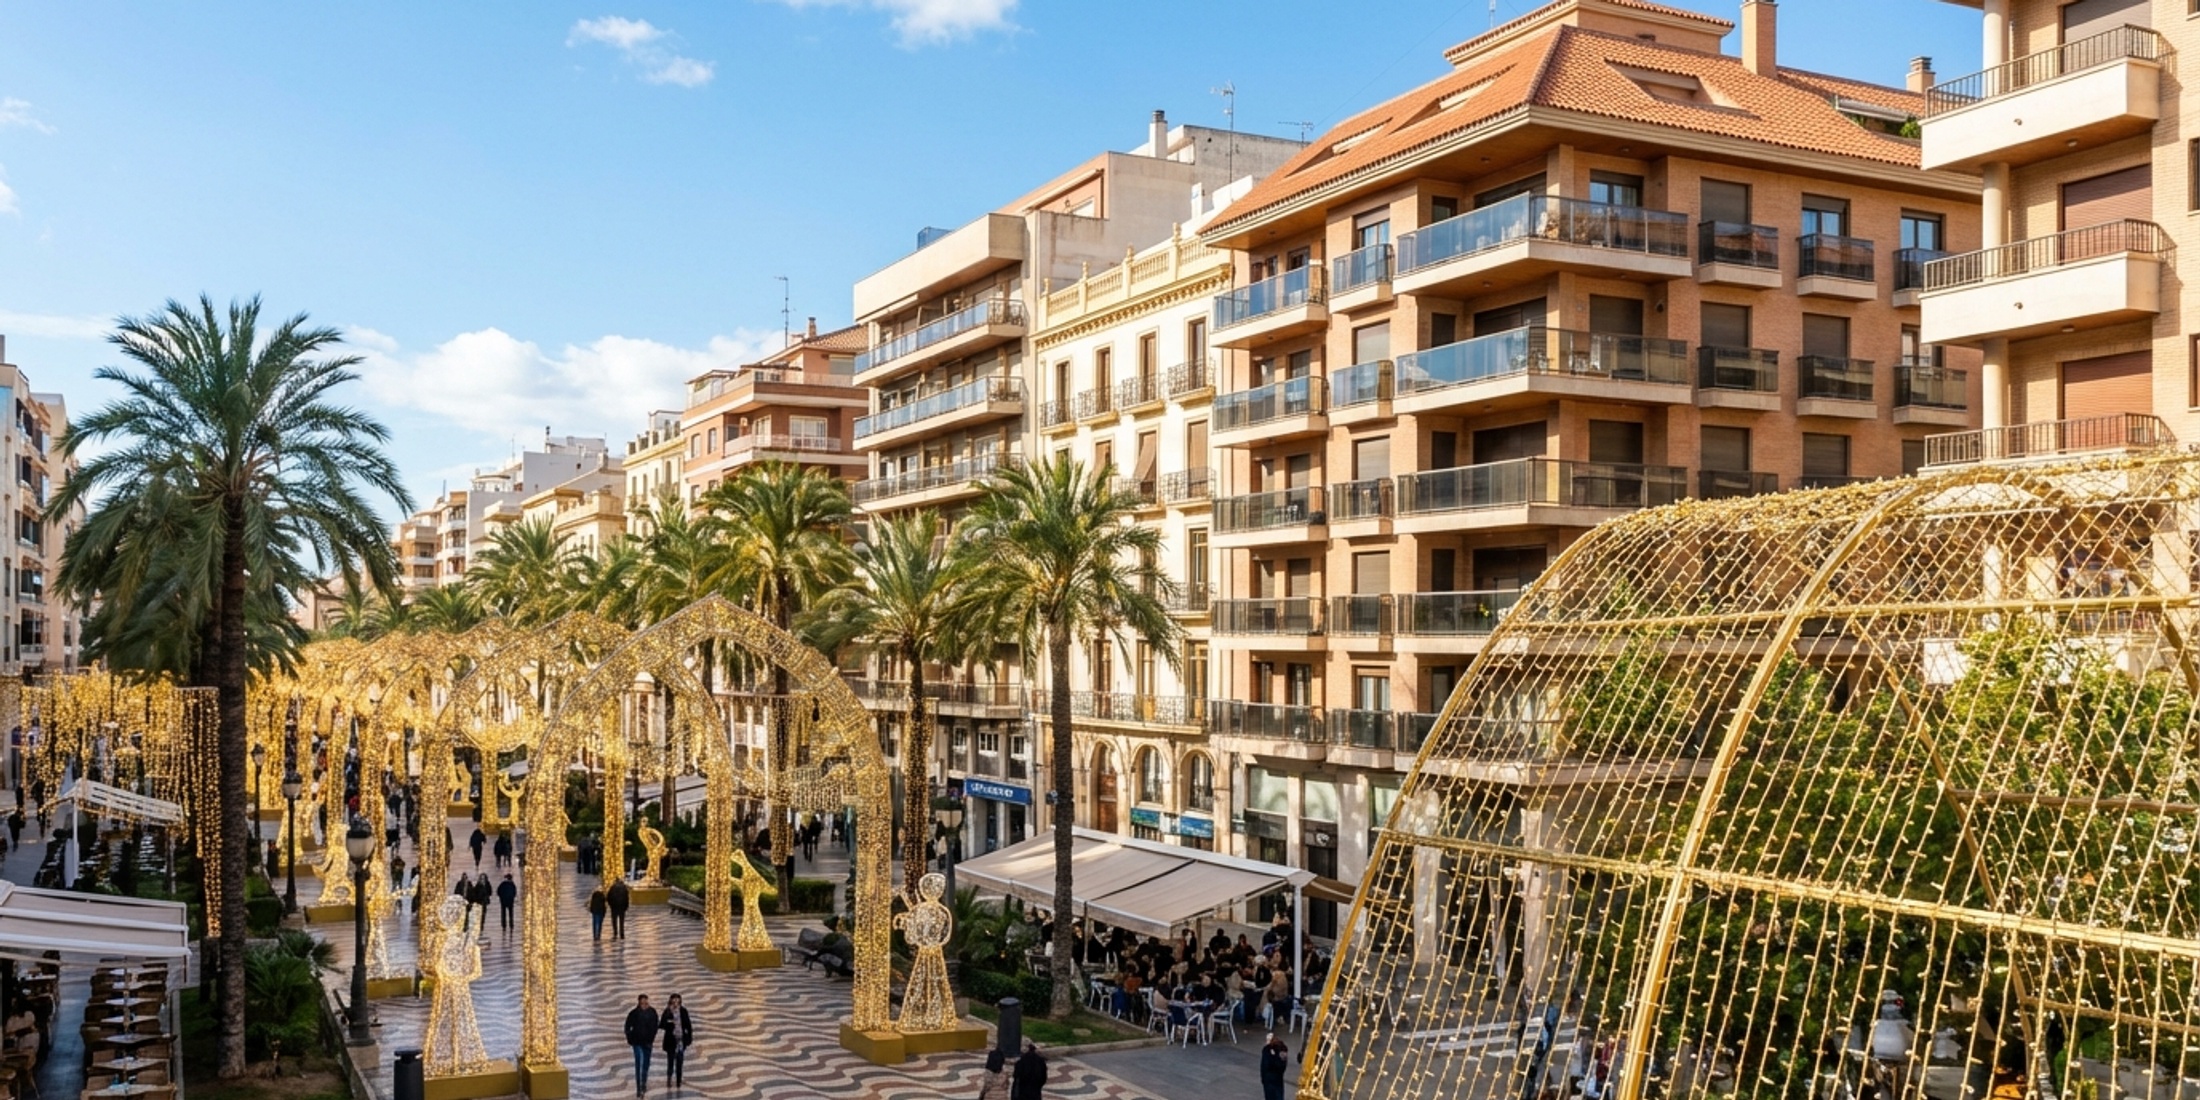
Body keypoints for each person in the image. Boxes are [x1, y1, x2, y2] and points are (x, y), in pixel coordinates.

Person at [623, 994, 660, 1098]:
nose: (644, 1005)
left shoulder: (652, 1012)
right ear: (639, 1003)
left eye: (646, 1003)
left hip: (648, 1043)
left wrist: (652, 1037)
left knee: (646, 1064)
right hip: (637, 1043)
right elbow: (627, 1026)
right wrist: (630, 1038)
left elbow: (655, 1026)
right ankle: (639, 1087)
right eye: (642, 1003)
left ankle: (644, 1082)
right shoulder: (634, 1013)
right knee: (639, 1063)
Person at [659, 992, 693, 1090]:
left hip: (681, 1040)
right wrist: (669, 1022)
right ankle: (669, 1078)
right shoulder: (667, 1012)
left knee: (680, 1061)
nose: (675, 1003)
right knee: (670, 1061)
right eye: (674, 1001)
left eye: (677, 1001)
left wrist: (689, 1038)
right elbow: (661, 1025)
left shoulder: (683, 1011)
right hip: (670, 1040)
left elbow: (688, 1025)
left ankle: (678, 1080)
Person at [1260, 1032, 1291, 1100]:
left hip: (1269, 1079)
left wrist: (1263, 1079)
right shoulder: (1283, 1049)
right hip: (1278, 1079)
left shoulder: (1266, 1050)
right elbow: (1283, 1065)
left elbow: (1264, 1066)